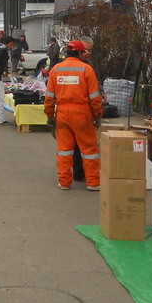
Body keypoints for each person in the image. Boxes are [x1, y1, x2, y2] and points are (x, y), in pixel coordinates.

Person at [44, 39, 103, 191]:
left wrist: (50, 116)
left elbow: (49, 97)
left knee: (64, 150)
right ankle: (93, 182)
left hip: (62, 114)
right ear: (79, 52)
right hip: (82, 114)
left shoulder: (56, 70)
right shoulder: (86, 69)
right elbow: (95, 97)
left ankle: (64, 182)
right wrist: (97, 115)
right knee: (89, 150)